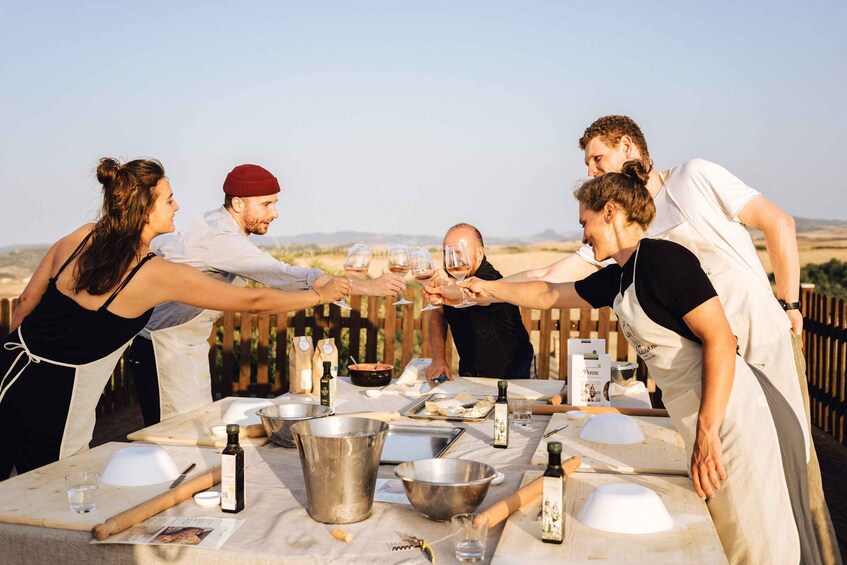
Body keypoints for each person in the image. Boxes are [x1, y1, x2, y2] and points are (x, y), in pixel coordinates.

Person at [428, 115, 839, 563]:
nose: (581, 234)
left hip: (728, 419)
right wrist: (479, 289)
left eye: (584, 222)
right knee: (729, 541)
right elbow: (546, 292)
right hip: (700, 415)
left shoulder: (665, 258)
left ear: (609, 212)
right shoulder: (620, 275)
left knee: (759, 548)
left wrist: (706, 433)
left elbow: (720, 340)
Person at [0, 158, 349, 478]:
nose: (177, 206)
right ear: (144, 209)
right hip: (58, 401)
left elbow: (26, 303)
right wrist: (319, 295)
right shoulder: (152, 272)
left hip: (8, 370)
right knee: (51, 490)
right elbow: (253, 300)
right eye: (168, 200)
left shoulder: (82, 235)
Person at [128, 164, 406, 426]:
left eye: (275, 203)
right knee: (174, 440)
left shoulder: (214, 221)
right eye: (266, 204)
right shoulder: (220, 238)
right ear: (238, 204)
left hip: (182, 348)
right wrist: (367, 287)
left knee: (193, 431)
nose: (275, 213)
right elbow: (283, 276)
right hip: (162, 350)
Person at [425, 223, 533, 386]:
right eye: (447, 253)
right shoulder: (450, 281)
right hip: (469, 371)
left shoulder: (491, 279)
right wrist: (439, 359)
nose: (452, 259)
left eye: (459, 252)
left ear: (480, 253)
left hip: (511, 373)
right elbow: (437, 314)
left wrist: (447, 289)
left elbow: (477, 295)